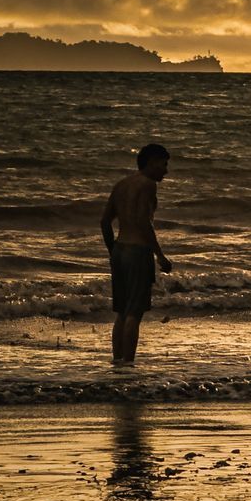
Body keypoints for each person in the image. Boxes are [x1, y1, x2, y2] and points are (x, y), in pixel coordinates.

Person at [99, 143, 174, 367]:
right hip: (138, 252)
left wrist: (112, 250)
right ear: (151, 162)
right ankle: (129, 366)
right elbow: (143, 222)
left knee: (122, 312)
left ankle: (118, 362)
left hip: (120, 250)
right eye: (164, 164)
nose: (166, 170)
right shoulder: (148, 185)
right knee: (134, 313)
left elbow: (104, 222)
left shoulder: (121, 185)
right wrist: (160, 256)